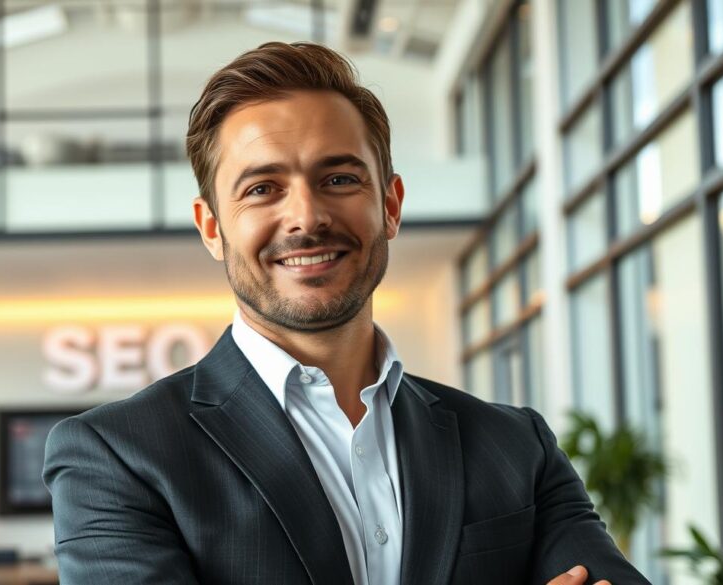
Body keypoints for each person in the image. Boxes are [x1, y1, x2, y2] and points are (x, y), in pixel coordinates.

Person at [43, 41, 649, 585]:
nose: (306, 217)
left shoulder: (517, 446)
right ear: (212, 227)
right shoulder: (116, 457)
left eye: (338, 177)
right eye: (262, 188)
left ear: (389, 205)